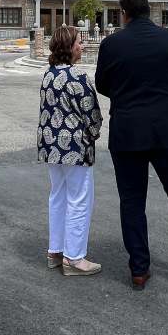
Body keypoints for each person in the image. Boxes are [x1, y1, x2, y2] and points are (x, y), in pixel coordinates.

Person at [94, 0, 168, 291]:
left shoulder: (111, 44)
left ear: (123, 14)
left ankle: (139, 270)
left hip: (127, 134)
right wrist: (167, 94)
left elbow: (103, 85)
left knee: (132, 202)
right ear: (150, 12)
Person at [38, 25, 103, 277]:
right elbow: (92, 114)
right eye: (78, 42)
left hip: (51, 146)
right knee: (79, 199)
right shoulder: (78, 78)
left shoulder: (48, 75)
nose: (82, 46)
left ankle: (55, 251)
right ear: (69, 47)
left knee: (58, 196)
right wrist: (94, 132)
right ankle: (74, 258)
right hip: (75, 147)